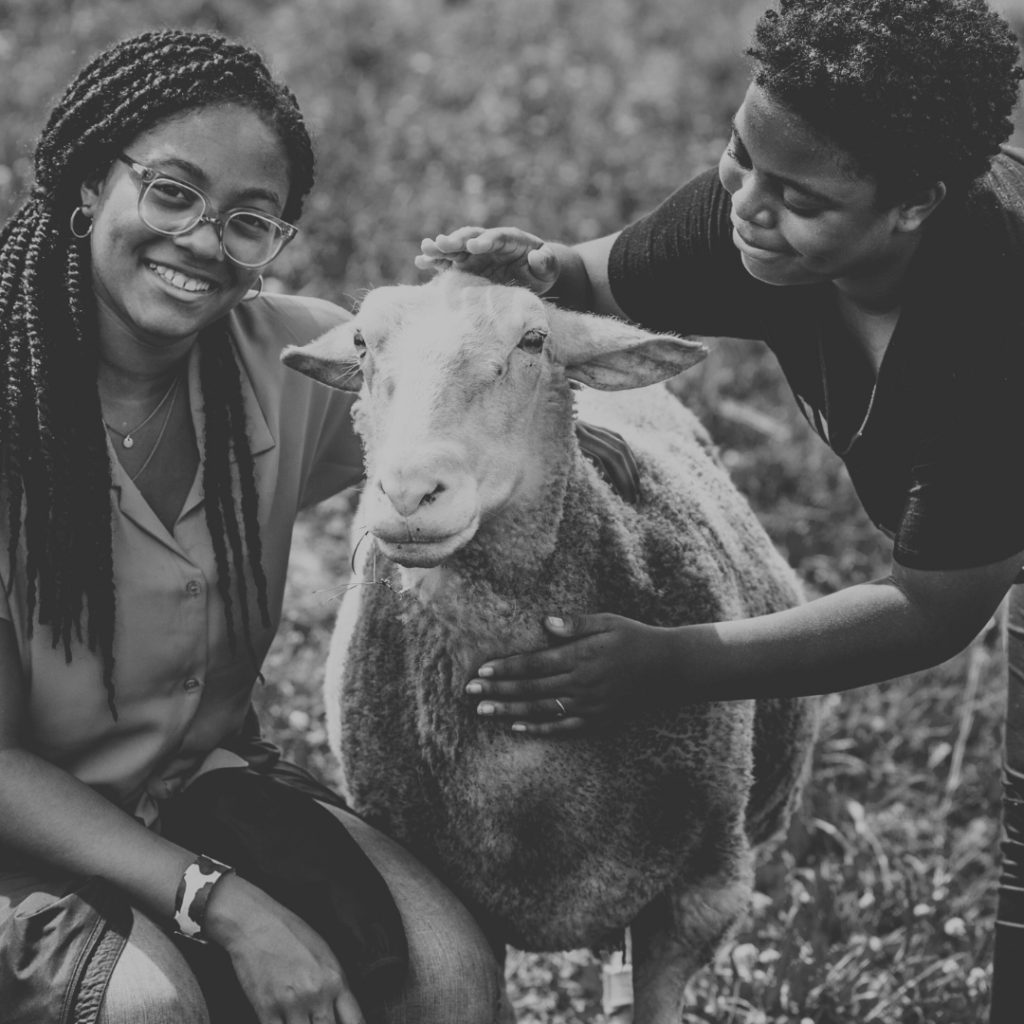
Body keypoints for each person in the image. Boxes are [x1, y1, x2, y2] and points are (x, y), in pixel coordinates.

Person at [417, 0, 1024, 1018]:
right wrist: (531, 273)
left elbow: (931, 610)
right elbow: (595, 276)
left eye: (794, 193)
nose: (744, 199)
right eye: (739, 152)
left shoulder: (993, 329)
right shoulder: (760, 213)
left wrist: (675, 659)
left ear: (913, 204)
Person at [0, 29, 507, 1024]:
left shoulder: (286, 361)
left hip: (197, 782)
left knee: (450, 979)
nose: (201, 242)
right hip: (19, 830)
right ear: (89, 181)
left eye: (249, 220)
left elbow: (461, 426)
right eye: (173, 192)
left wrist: (537, 305)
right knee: (156, 1012)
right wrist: (214, 898)